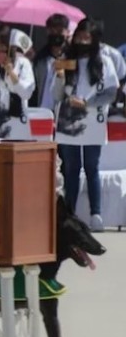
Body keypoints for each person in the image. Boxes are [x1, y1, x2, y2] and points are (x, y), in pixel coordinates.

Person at [53, 17, 119, 232]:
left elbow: (111, 92)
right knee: (71, 168)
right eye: (79, 37)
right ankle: (70, 214)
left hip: (93, 121)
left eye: (86, 37)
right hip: (68, 122)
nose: (82, 41)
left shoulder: (104, 61)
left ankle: (95, 213)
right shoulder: (66, 59)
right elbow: (57, 94)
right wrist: (60, 76)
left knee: (92, 167)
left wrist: (88, 103)